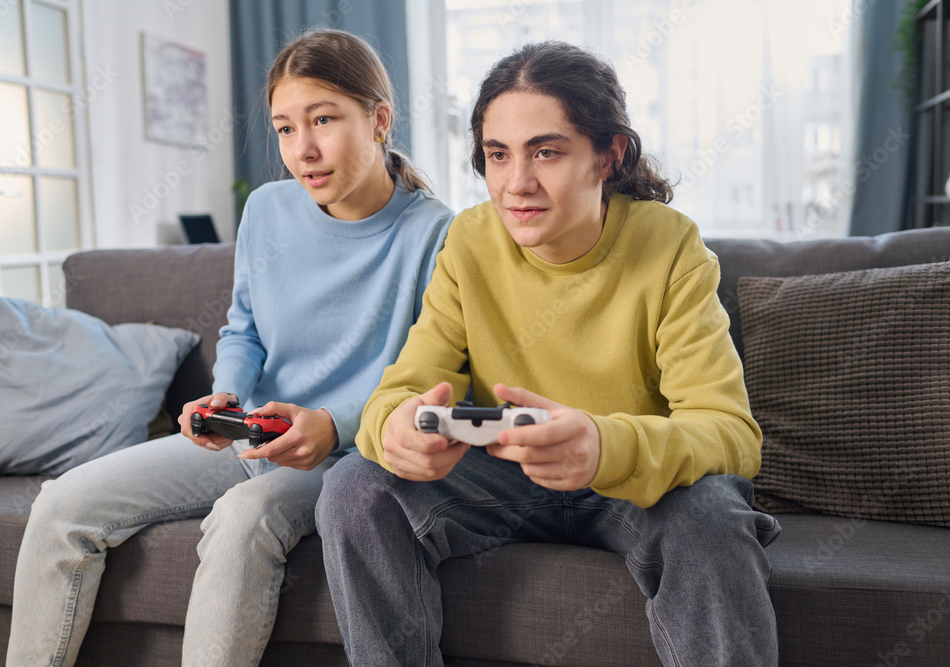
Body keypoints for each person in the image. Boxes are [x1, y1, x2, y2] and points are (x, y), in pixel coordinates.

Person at [315, 41, 782, 666]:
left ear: (608, 155)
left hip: (634, 487)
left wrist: (600, 443)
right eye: (497, 155)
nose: (516, 183)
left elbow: (730, 435)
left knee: (711, 515)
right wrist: (394, 428)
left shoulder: (671, 248)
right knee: (354, 486)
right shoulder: (470, 242)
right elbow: (400, 391)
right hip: (506, 478)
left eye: (547, 151)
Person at [6, 28, 453, 667]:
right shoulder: (268, 209)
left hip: (349, 454)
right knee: (60, 505)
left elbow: (430, 371)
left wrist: (332, 425)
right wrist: (228, 394)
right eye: (285, 128)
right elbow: (242, 326)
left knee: (246, 517)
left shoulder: (436, 232)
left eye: (324, 119)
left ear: (379, 119)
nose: (304, 150)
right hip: (253, 433)